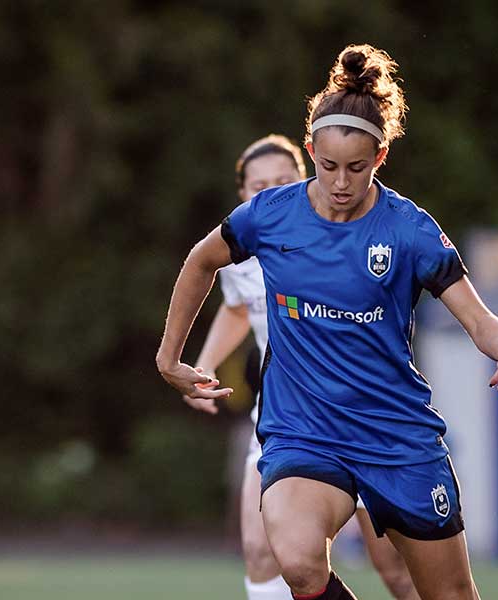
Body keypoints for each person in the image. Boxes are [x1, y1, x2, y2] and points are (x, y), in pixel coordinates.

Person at [157, 44, 498, 600]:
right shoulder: (270, 214)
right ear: (310, 151)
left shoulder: (409, 230)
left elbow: (481, 320)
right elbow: (201, 261)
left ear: (380, 158)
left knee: (447, 594)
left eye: (356, 168)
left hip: (394, 436)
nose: (340, 181)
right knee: (298, 562)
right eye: (328, 166)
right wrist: (169, 357)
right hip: (303, 432)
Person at [190, 134, 421, 600]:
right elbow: (239, 308)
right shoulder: (239, 251)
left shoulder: (346, 239)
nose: (271, 190)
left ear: (305, 177)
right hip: (285, 423)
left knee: (393, 567)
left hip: (363, 421)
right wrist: (204, 365)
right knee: (260, 551)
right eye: (259, 186)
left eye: (283, 179)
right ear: (244, 194)